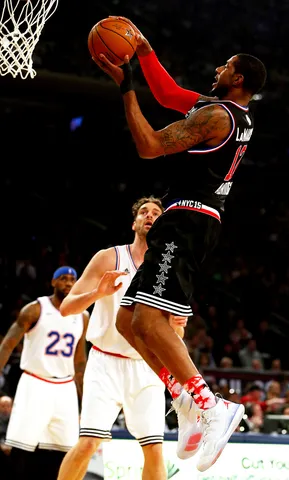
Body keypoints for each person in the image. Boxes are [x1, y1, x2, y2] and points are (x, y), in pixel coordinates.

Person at [94, 16, 267, 473]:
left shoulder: (216, 116)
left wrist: (126, 84)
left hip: (189, 219)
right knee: (131, 321)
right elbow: (170, 96)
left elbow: (149, 146)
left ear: (240, 78)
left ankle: (211, 405)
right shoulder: (224, 112)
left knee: (151, 320)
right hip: (191, 218)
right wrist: (146, 51)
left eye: (226, 65)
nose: (218, 68)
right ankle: (184, 399)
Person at [57, 196, 188, 480]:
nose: (150, 216)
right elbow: (67, 307)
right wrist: (98, 294)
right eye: (144, 212)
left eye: (156, 213)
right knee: (89, 442)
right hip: (105, 362)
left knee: (154, 448)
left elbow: (174, 334)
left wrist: (178, 325)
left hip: (147, 365)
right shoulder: (109, 257)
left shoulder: (169, 269)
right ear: (134, 223)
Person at [0, 266, 90, 480]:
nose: (68, 283)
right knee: (22, 446)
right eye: (63, 279)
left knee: (66, 448)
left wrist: (84, 399)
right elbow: (7, 345)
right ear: (53, 282)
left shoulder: (83, 316)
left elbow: (79, 360)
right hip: (35, 382)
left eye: (72, 279)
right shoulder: (35, 309)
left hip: (65, 387)